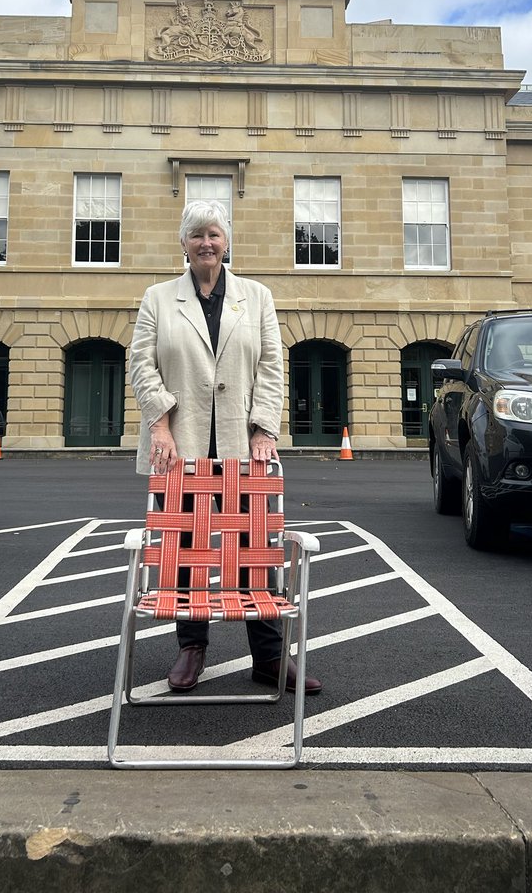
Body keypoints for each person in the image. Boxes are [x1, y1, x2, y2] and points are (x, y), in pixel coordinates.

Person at [128, 199, 322, 695]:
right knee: (187, 548)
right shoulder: (157, 298)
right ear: (184, 244)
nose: (206, 243)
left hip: (243, 443)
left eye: (214, 234)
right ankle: (191, 649)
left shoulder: (256, 297)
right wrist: (161, 426)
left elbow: (273, 369)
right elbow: (141, 364)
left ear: (227, 241)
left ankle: (270, 657)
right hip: (181, 444)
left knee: (252, 548)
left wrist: (264, 430)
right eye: (197, 235)